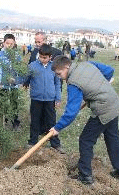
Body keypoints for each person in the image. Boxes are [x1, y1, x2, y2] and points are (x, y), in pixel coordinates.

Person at [50, 55, 119, 185]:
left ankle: (85, 175)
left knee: (86, 140)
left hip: (103, 109)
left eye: (59, 74)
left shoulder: (73, 83)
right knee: (112, 137)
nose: (59, 77)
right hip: (114, 103)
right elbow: (109, 70)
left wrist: (57, 127)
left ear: (66, 67)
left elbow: (71, 112)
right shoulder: (87, 64)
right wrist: (101, 86)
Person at [26, 44, 63, 153]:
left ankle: (55, 143)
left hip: (50, 100)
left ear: (50, 57)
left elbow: (57, 83)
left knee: (51, 122)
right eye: (41, 56)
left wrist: (58, 98)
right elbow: (26, 77)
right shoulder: (32, 66)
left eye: (45, 57)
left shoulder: (54, 68)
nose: (42, 59)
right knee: (35, 121)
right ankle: (32, 141)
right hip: (36, 99)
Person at [0, 34, 23, 130]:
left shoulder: (17, 56)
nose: (9, 45)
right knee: (3, 104)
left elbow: (20, 71)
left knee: (14, 104)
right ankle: (3, 122)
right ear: (3, 43)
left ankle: (15, 122)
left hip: (14, 86)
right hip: (3, 86)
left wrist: (18, 81)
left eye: (11, 43)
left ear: (14, 44)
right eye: (7, 43)